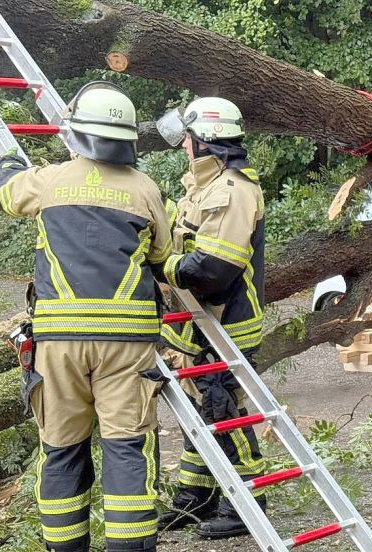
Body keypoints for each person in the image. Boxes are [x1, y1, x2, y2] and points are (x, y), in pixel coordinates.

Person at [0, 82, 170, 552]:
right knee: (127, 450)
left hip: (59, 344)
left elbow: (6, 195)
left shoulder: (48, 180)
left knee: (63, 451)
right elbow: (162, 256)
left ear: (76, 131)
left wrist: (7, 161)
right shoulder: (146, 189)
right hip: (127, 346)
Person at [154, 97, 268, 538]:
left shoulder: (233, 190)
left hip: (225, 320)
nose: (183, 143)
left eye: (188, 136)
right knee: (198, 409)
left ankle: (247, 501)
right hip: (199, 321)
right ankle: (196, 495)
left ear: (205, 140)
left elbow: (214, 270)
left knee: (220, 406)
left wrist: (160, 266)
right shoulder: (204, 184)